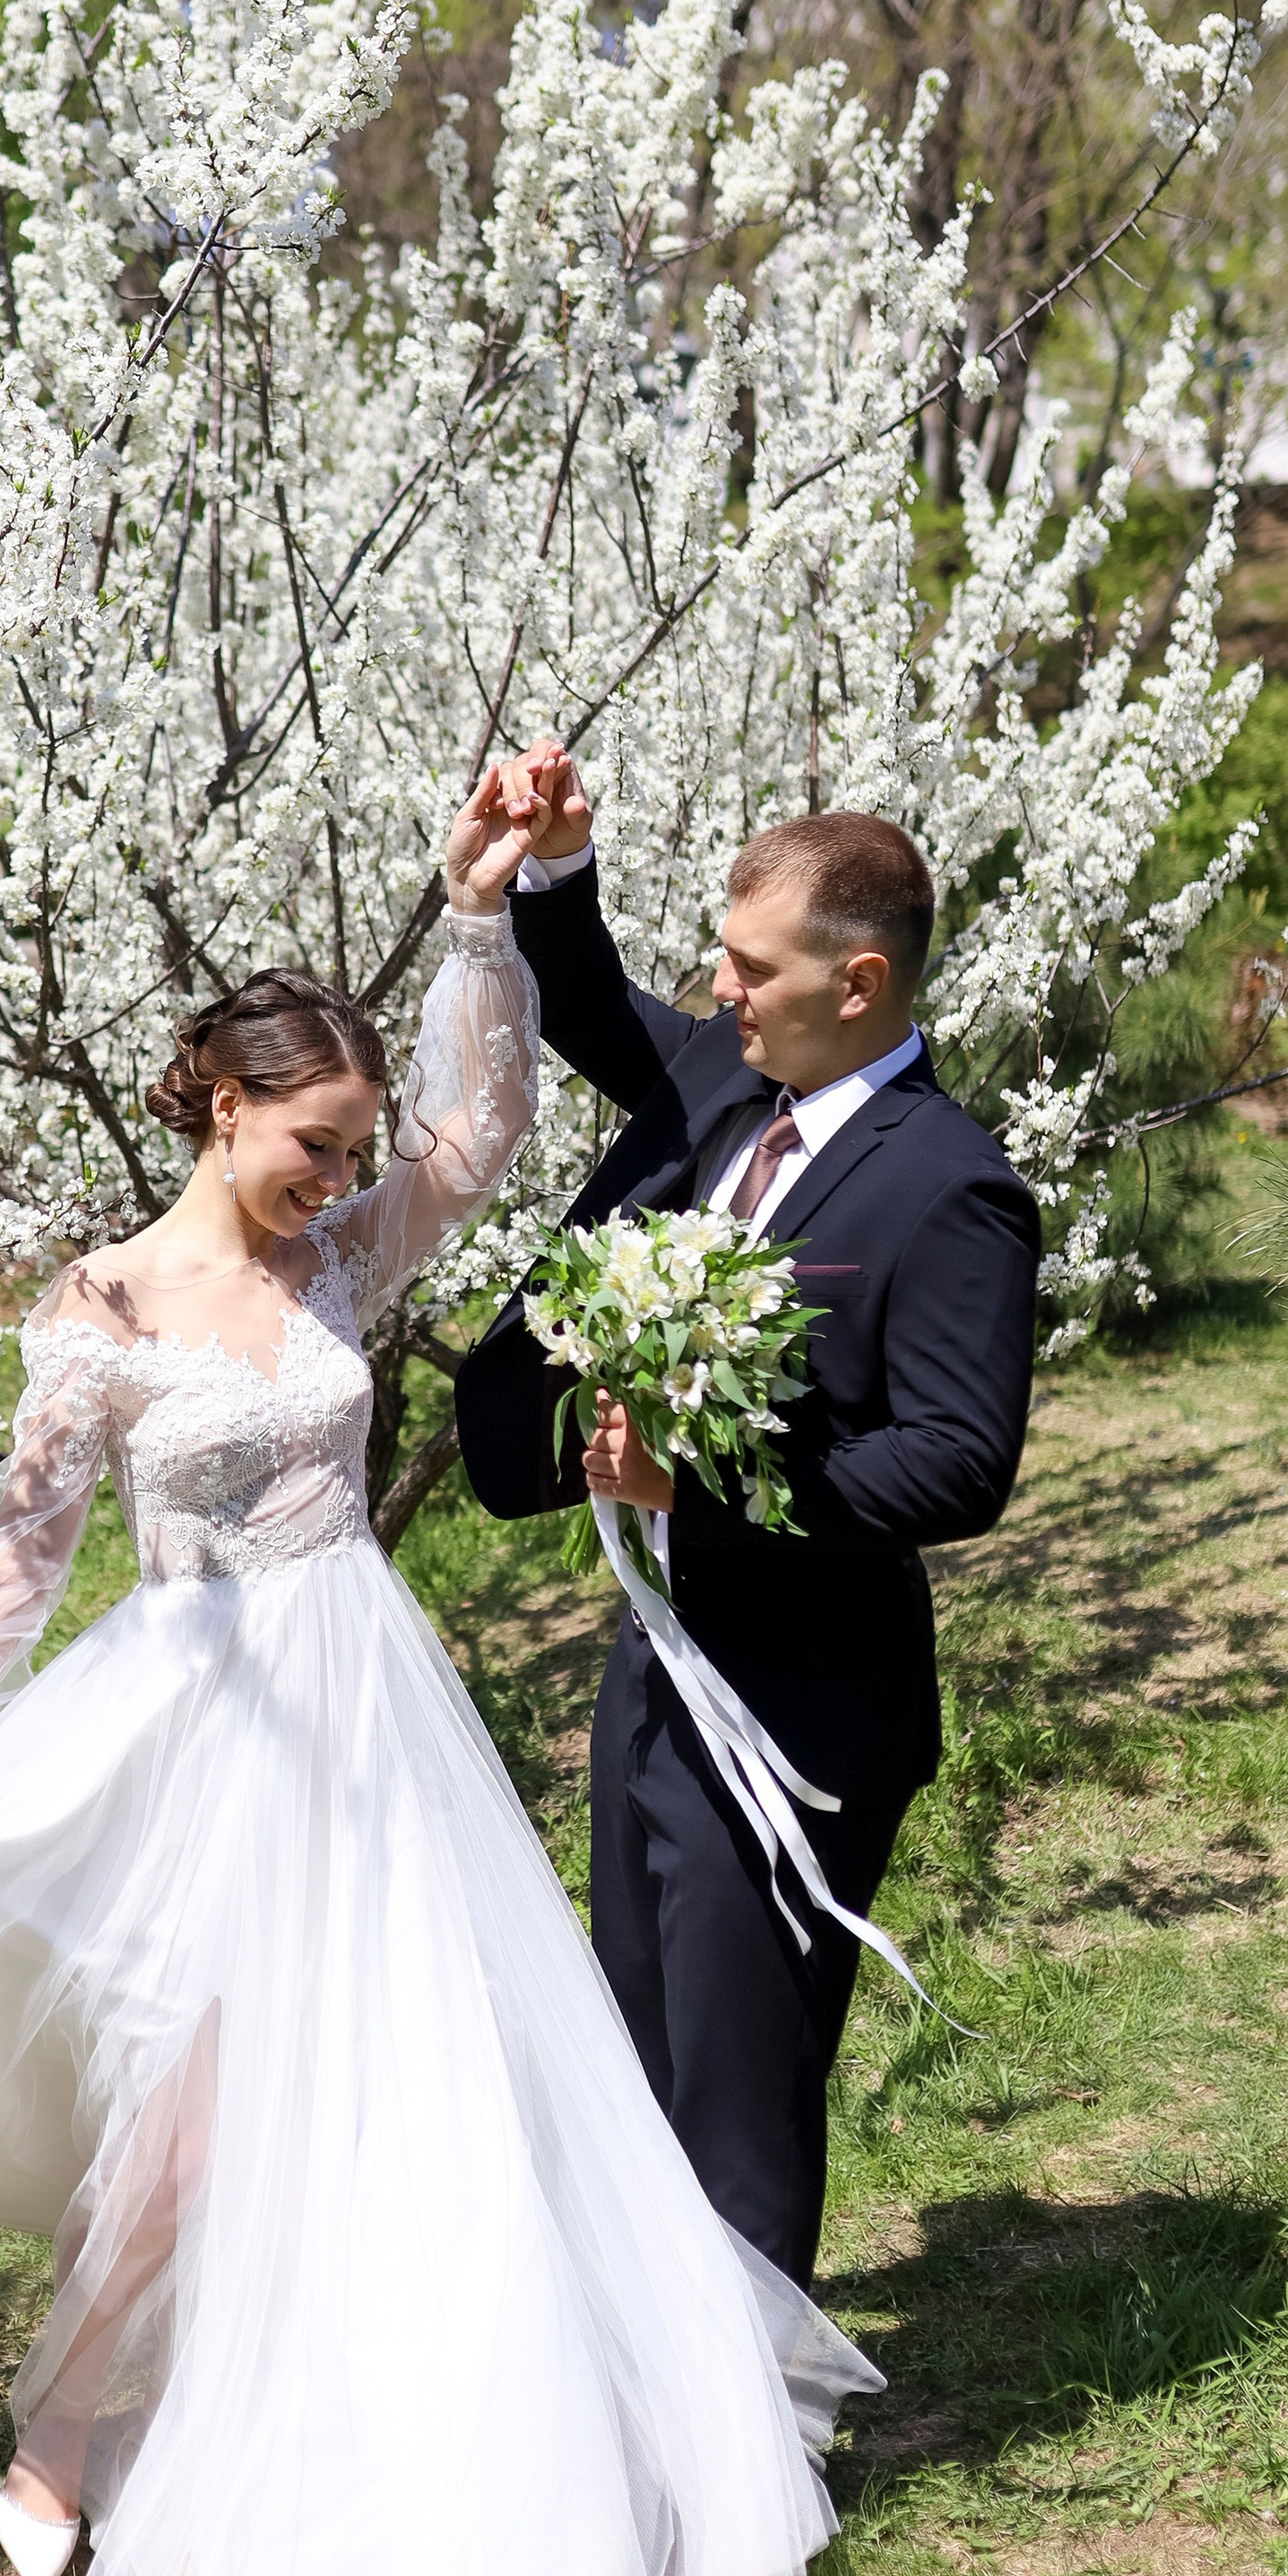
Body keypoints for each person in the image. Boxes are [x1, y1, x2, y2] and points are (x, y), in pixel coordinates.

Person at [0, 769, 875, 2576]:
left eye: (353, 1153)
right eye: (309, 1149)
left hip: (368, 1710)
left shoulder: (349, 1258)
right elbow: (16, 1556)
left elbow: (488, 1125)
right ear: (221, 1109)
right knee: (184, 2108)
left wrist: (475, 918)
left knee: (413, 2066)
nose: (337, 1182)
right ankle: (69, 2431)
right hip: (201, 1717)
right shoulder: (101, 1310)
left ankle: (419, 2425)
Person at [456, 750, 1041, 2293]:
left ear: (858, 984)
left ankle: (761, 2458)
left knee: (737, 2090)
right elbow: (595, 1012)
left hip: (802, 1705)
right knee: (638, 2045)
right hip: (655, 1671)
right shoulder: (736, 1080)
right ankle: (660, 2409)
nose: (716, 989)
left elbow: (959, 1464)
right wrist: (556, 868)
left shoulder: (948, 1187)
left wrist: (695, 1497)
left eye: (748, 965)